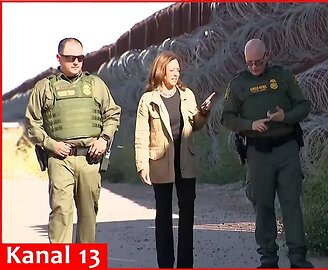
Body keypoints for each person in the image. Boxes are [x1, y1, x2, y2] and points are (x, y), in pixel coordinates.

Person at [221, 39, 313, 268]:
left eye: (257, 62)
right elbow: (227, 117)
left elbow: (304, 105)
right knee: (262, 206)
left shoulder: (282, 77)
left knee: (291, 204)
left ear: (267, 56)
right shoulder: (238, 84)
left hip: (286, 149)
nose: (253, 67)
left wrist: (286, 117)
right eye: (249, 63)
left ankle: (298, 259)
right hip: (258, 153)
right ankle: (268, 259)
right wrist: (250, 124)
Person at [25, 37, 121, 243]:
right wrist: (51, 144)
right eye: (70, 58)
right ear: (59, 58)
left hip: (90, 159)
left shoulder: (95, 84)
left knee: (88, 215)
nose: (76, 62)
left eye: (80, 57)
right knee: (61, 213)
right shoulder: (45, 88)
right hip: (60, 159)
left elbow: (112, 114)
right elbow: (32, 123)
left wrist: (104, 139)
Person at [134, 51, 214, 268]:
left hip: (185, 160)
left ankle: (186, 264)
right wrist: (142, 165)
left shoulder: (186, 94)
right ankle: (166, 264)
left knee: (187, 213)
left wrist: (204, 113)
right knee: (163, 215)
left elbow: (195, 125)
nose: (176, 74)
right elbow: (141, 134)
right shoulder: (148, 99)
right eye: (171, 70)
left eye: (178, 70)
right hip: (160, 161)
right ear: (161, 72)